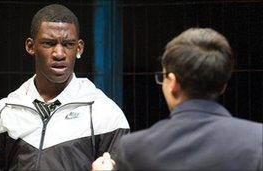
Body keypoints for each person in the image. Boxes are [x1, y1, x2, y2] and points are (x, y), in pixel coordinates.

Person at [0, 4, 129, 171]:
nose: (59, 54)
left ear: (79, 47)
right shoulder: (4, 112)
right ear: (30, 46)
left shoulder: (105, 114)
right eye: (49, 43)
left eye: (68, 44)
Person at [92, 28, 263, 170]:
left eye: (163, 76)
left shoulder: (133, 149)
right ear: (223, 85)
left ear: (172, 83)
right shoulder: (257, 139)